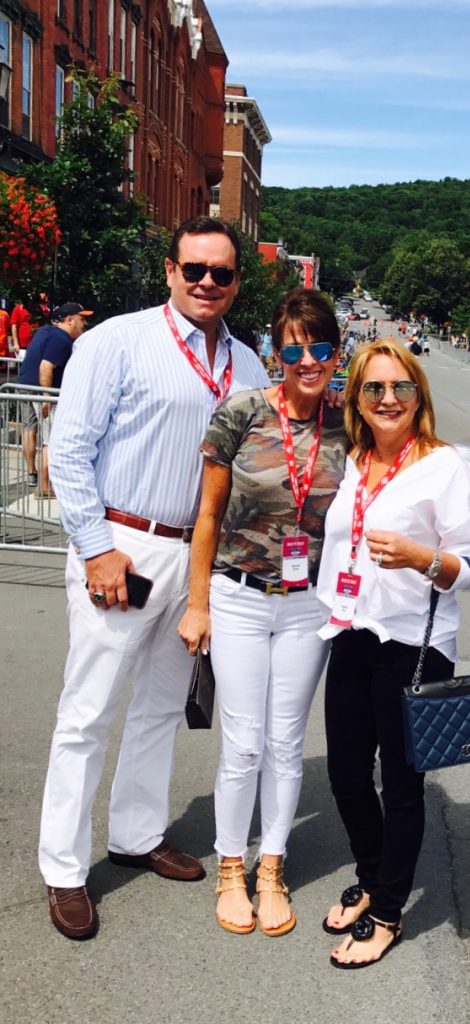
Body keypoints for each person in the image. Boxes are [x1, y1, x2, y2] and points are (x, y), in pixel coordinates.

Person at [39, 216, 271, 941]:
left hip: (198, 561)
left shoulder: (249, 365)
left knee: (162, 705)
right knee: (89, 709)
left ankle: (135, 835)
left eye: (222, 273)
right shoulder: (117, 340)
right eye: (194, 269)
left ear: (236, 282)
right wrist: (96, 548)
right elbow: (68, 451)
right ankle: (64, 868)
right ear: (170, 271)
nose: (207, 283)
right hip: (125, 546)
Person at [177, 288, 347, 938]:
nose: (307, 359)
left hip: (311, 607)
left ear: (336, 351)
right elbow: (209, 516)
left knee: (285, 744)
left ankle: (270, 866)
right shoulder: (241, 412)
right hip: (239, 597)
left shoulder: (347, 425)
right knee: (243, 744)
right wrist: (197, 605)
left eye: (320, 346)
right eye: (293, 347)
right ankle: (230, 868)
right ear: (277, 350)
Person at [317, 339, 470, 969]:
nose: (388, 399)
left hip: (414, 645)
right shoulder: (355, 460)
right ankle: (371, 875)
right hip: (352, 631)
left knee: (402, 782)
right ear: (356, 398)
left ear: (419, 396)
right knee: (344, 772)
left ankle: (389, 910)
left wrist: (424, 559)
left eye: (401, 388)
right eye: (374, 388)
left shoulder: (444, 466)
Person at [17, 302, 92, 492]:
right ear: (69, 320)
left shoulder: (45, 331)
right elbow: (45, 367)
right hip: (42, 391)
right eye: (81, 319)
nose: (84, 324)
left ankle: (32, 474)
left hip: (23, 384)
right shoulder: (62, 339)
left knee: (29, 430)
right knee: (51, 440)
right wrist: (46, 398)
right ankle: (45, 486)